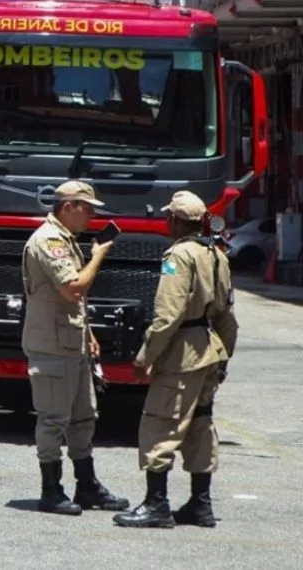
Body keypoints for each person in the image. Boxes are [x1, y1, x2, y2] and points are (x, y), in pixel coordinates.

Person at [114, 190, 239, 529]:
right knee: (200, 424)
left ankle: (156, 505)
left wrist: (145, 356)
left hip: (181, 354)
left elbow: (168, 315)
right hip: (209, 350)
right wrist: (223, 359)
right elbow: (227, 316)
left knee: (161, 423)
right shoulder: (216, 255)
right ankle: (201, 505)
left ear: (174, 221)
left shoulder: (178, 255)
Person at [22, 179, 129, 515]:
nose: (92, 217)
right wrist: (99, 256)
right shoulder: (49, 240)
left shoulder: (66, 239)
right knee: (53, 419)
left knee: (83, 417)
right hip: (52, 346)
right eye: (88, 209)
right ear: (68, 206)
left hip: (72, 342)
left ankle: (87, 485)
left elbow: (71, 303)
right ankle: (51, 490)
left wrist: (89, 333)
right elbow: (73, 288)